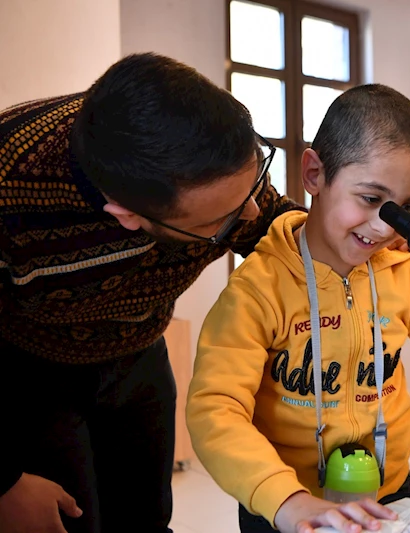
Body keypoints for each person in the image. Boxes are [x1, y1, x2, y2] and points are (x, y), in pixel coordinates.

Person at [0, 53, 302, 533]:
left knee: (146, 520)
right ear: (127, 217)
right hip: (29, 375)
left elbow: (273, 226)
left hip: (139, 351)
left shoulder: (197, 152)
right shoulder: (9, 182)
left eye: (254, 185)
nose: (248, 214)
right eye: (216, 223)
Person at [186, 84, 410, 533]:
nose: (383, 226)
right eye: (371, 199)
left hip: (387, 492)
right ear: (314, 174)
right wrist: (285, 500)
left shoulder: (406, 275)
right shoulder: (258, 287)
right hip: (286, 506)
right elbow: (215, 409)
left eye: (406, 209)